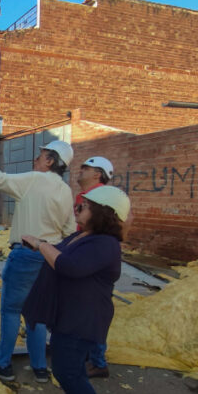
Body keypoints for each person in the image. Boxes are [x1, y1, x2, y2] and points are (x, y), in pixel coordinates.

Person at [20, 185, 131, 394]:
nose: (77, 209)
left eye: (84, 206)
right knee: (72, 368)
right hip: (70, 314)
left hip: (83, 319)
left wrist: (42, 244)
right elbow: (59, 251)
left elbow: (68, 266)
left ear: (103, 213)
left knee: (67, 372)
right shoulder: (85, 236)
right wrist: (38, 243)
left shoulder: (104, 245)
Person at [0, 135, 75, 384]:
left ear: (49, 160)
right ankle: (40, 368)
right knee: (36, 314)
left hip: (25, 255)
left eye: (40, 156)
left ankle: (3, 364)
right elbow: (69, 231)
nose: (35, 159)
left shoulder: (35, 179)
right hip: (50, 258)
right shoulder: (66, 191)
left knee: (12, 310)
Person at [75, 156, 114, 379]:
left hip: (95, 257)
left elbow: (124, 224)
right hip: (85, 252)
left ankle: (98, 362)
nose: (80, 171)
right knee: (83, 309)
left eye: (85, 168)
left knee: (95, 310)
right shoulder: (85, 196)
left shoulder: (104, 197)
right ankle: (88, 355)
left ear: (97, 174)